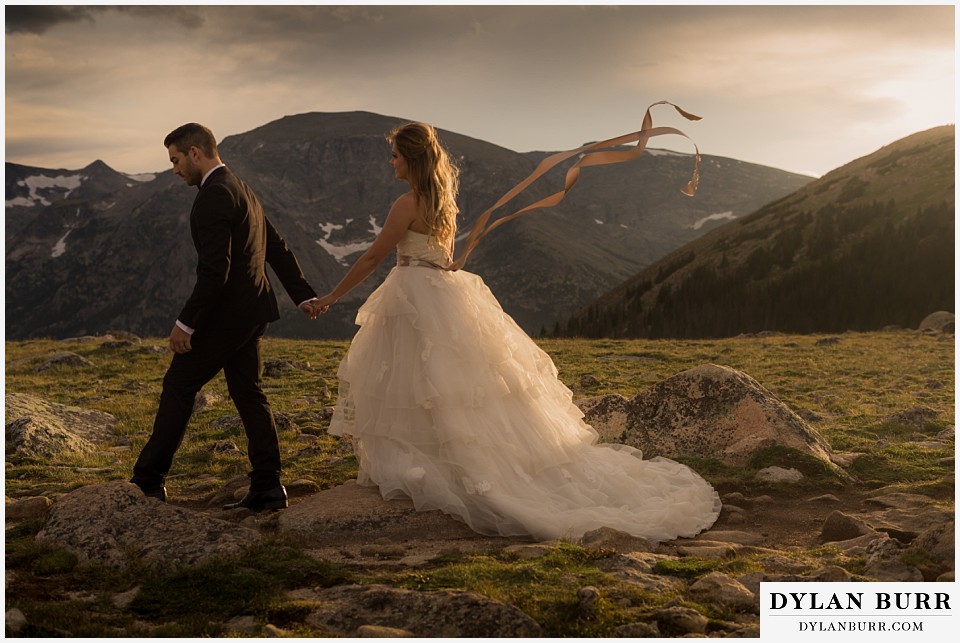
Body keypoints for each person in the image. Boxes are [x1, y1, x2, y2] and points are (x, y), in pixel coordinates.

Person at [314, 122, 721, 542]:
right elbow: (443, 257)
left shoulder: (406, 203)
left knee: (420, 381)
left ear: (411, 158)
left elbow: (373, 257)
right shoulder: (443, 201)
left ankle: (435, 468)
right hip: (440, 292)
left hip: (415, 296)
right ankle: (456, 464)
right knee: (450, 383)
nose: (391, 161)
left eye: (396, 154)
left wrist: (329, 295)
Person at [131, 123, 319, 511]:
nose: (175, 169)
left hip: (228, 316)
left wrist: (186, 323)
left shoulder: (213, 195)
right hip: (253, 313)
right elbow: (277, 247)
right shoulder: (242, 188)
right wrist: (302, 296)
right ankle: (267, 486)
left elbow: (216, 269)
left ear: (195, 153)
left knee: (179, 385)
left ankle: (148, 482)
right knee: (249, 393)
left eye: (176, 160)